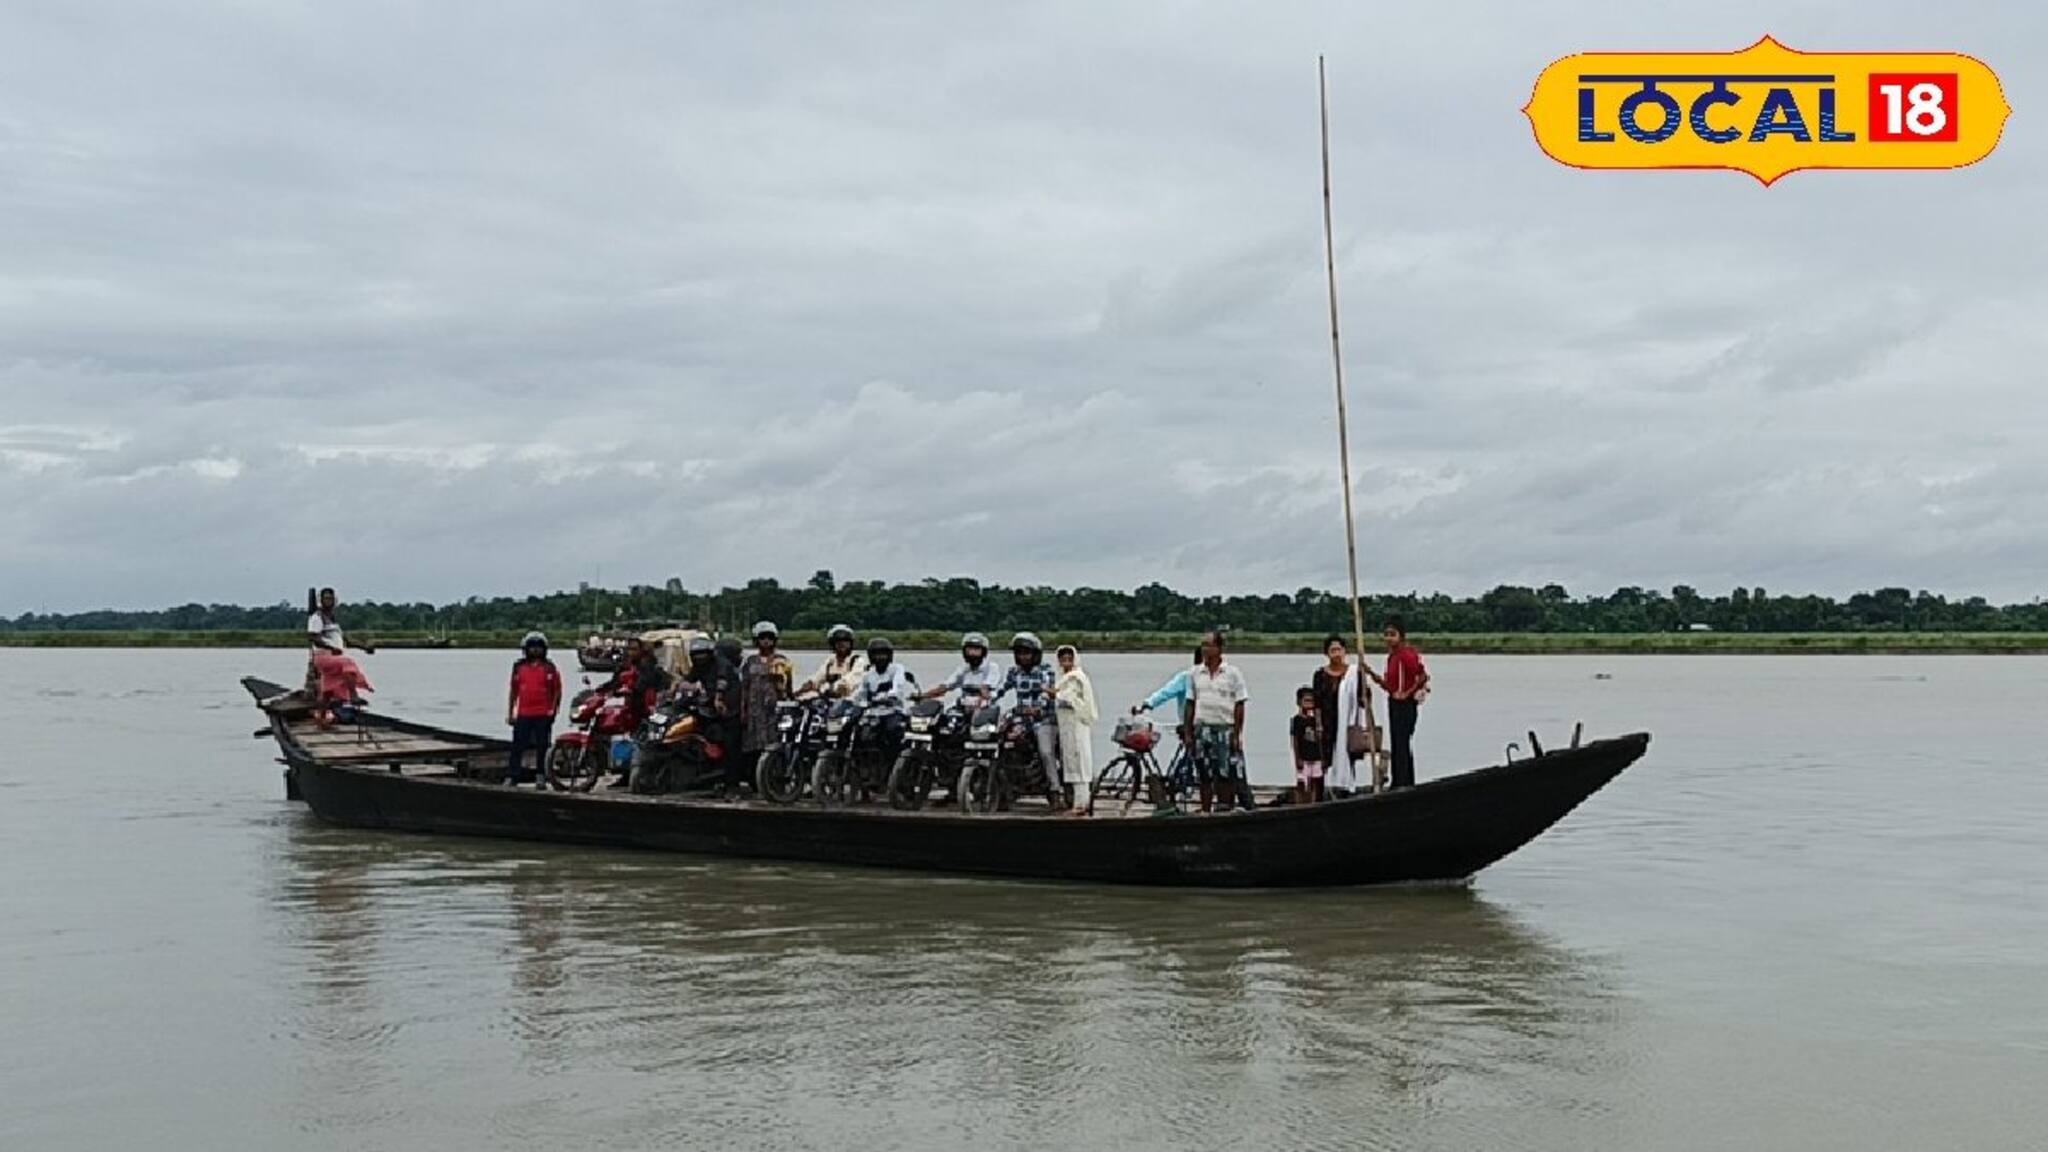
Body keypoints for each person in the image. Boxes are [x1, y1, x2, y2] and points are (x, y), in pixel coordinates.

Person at [994, 632, 1062, 806]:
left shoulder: (1045, 671)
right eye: (1019, 653)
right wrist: (987, 699)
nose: (1023, 657)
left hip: (1043, 719)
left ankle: (1055, 790)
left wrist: (1038, 708)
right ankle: (1001, 786)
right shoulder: (1013, 672)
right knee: (999, 741)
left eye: (1026, 653)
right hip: (1020, 719)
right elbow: (1001, 689)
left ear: (1035, 655)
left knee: (1046, 751)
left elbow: (1048, 693)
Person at [1187, 630, 1251, 813]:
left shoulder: (1233, 673)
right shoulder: (1195, 673)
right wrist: (1189, 733)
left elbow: (1240, 704)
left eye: (1209, 645)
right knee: (1204, 773)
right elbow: (1190, 703)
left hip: (1225, 727)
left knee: (1225, 772)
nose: (1205, 649)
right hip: (1202, 727)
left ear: (1219, 648)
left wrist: (1237, 734)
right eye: (1203, 645)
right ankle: (1205, 810)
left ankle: (1225, 809)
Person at [1365, 616, 1429, 789]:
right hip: (1395, 703)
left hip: (1405, 705)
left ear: (1401, 636)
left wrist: (1407, 693)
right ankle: (1399, 780)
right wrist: (1371, 673)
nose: (1388, 638)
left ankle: (1404, 782)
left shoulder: (1406, 655)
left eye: (1392, 634)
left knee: (1402, 742)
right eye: (1386, 634)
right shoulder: (1392, 657)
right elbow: (1391, 687)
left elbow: (1422, 676)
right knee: (1396, 742)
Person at [1312, 634, 1372, 796]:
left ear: (1344, 651)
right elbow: (1316, 702)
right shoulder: (1320, 675)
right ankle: (1324, 790)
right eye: (1333, 650)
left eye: (1339, 649)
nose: (1336, 653)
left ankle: (1346, 787)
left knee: (1347, 754)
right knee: (1325, 756)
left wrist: (1365, 692)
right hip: (1327, 721)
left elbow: (1364, 698)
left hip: (1347, 722)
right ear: (1327, 653)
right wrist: (1318, 723)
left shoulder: (1353, 673)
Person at [504, 632, 562, 786]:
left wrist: (553, 710)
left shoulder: (549, 668)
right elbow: (513, 691)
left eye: (538, 648)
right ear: (526, 649)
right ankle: (512, 775)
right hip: (523, 713)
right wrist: (511, 713)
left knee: (542, 746)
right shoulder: (519, 667)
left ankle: (541, 775)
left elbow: (557, 691)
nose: (535, 651)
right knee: (518, 745)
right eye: (532, 648)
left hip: (543, 713)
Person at [851, 637, 917, 763]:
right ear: (871, 656)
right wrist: (854, 703)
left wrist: (889, 696)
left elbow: (898, 686)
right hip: (873, 714)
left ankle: (893, 764)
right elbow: (860, 693)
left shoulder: (897, 669)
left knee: (892, 731)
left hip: (893, 711)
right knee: (857, 731)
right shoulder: (868, 674)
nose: (880, 658)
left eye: (883, 654)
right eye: (876, 654)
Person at [1052, 645, 1098, 816]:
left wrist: (1053, 694)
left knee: (1079, 762)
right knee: (1071, 762)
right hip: (1067, 726)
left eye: (1069, 659)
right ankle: (1078, 803)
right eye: (1062, 659)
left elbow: (1068, 697)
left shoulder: (1076, 678)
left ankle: (1082, 804)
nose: (1066, 663)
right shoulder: (1064, 678)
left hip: (1077, 725)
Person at [738, 621, 795, 761]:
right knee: (752, 742)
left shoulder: (781, 660)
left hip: (774, 707)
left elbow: (788, 685)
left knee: (774, 739)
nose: (766, 641)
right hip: (754, 708)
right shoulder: (750, 661)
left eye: (769, 638)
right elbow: (745, 686)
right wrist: (743, 709)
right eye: (762, 638)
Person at [304, 587, 375, 695]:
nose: (329, 601)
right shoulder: (317, 617)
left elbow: (347, 641)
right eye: (326, 599)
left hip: (335, 656)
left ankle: (323, 709)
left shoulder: (333, 620)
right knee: (348, 664)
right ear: (321, 601)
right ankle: (353, 695)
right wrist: (332, 648)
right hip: (323, 656)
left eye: (331, 599)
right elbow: (314, 638)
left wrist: (365, 647)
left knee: (330, 690)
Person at [921, 632, 1004, 706]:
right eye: (969, 650)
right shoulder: (963, 669)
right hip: (964, 706)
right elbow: (945, 686)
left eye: (976, 650)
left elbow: (985, 689)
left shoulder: (991, 668)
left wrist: (983, 694)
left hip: (986, 708)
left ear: (984, 652)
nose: (972, 653)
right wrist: (923, 696)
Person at [800, 624, 868, 698]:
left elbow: (850, 682)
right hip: (830, 701)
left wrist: (832, 688)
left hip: (851, 702)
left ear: (850, 643)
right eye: (838, 642)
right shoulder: (830, 662)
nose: (842, 645)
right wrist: (803, 689)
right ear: (833, 644)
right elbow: (817, 678)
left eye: (845, 641)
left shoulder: (857, 661)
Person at [1290, 686, 1325, 804]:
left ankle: (1313, 802)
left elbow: (1320, 740)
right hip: (1303, 756)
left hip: (1315, 757)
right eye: (1306, 701)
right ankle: (1301, 803)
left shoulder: (1316, 720)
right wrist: (1297, 758)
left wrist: (1322, 757)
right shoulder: (1297, 720)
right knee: (1302, 782)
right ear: (1299, 702)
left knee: (1314, 781)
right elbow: (1295, 740)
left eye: (1311, 701)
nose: (1309, 704)